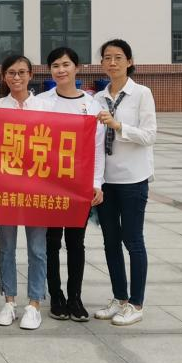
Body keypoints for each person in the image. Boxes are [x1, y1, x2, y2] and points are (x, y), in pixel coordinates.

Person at [33, 47, 106, 323]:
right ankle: (56, 296)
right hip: (50, 185)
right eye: (55, 65)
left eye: (65, 64)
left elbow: (97, 148)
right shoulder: (41, 102)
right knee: (51, 242)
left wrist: (96, 183)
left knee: (76, 242)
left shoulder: (92, 105)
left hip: (79, 185)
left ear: (77, 67)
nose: (60, 70)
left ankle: (75, 297)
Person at [93, 38, 157, 327]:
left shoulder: (141, 94)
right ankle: (119, 298)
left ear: (129, 62)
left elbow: (149, 135)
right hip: (106, 181)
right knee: (110, 241)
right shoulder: (98, 98)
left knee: (133, 240)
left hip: (133, 179)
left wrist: (118, 126)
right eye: (107, 57)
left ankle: (136, 303)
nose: (112, 62)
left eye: (118, 57)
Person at [0, 53, 48, 331]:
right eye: (11, 72)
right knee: (6, 246)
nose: (17, 77)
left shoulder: (45, 106)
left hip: (37, 187)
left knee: (37, 248)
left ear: (31, 75)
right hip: (6, 187)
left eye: (22, 72)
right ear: (4, 77)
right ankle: (9, 301)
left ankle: (34, 304)